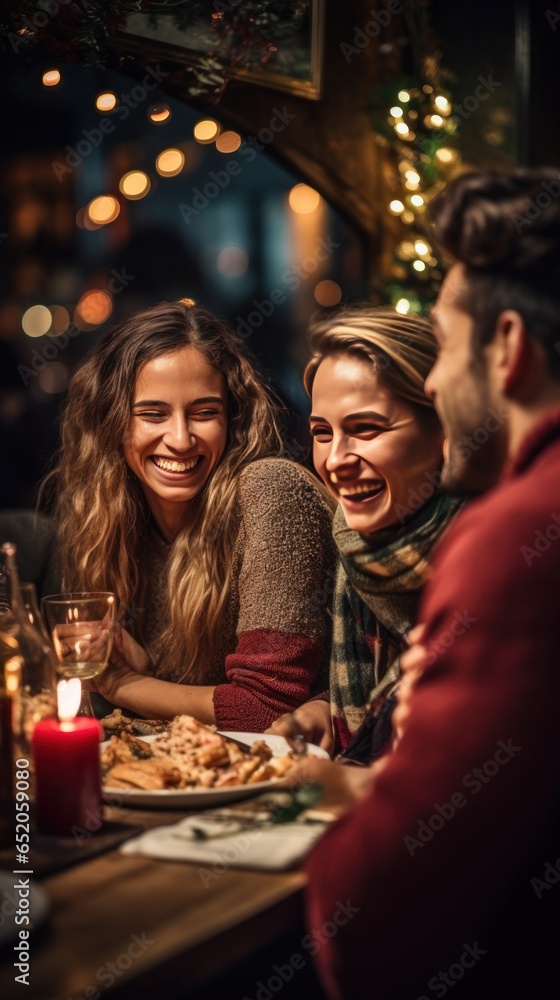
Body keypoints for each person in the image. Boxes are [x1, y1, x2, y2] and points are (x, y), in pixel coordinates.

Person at [301, 169, 560, 1000]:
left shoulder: (517, 534)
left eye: (445, 347)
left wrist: (343, 801)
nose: (442, 385)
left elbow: (368, 923)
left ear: (509, 347)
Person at [50, 298, 336, 731]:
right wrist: (143, 664)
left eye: (204, 413)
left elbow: (264, 710)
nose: (181, 440)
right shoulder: (109, 519)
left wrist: (124, 683)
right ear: (111, 423)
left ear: (232, 418)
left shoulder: (272, 490)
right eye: (152, 414)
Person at [268, 306, 463, 760]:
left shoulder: (489, 549)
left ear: (444, 429)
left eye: (366, 429)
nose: (336, 458)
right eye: (321, 432)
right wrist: (323, 712)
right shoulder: (358, 543)